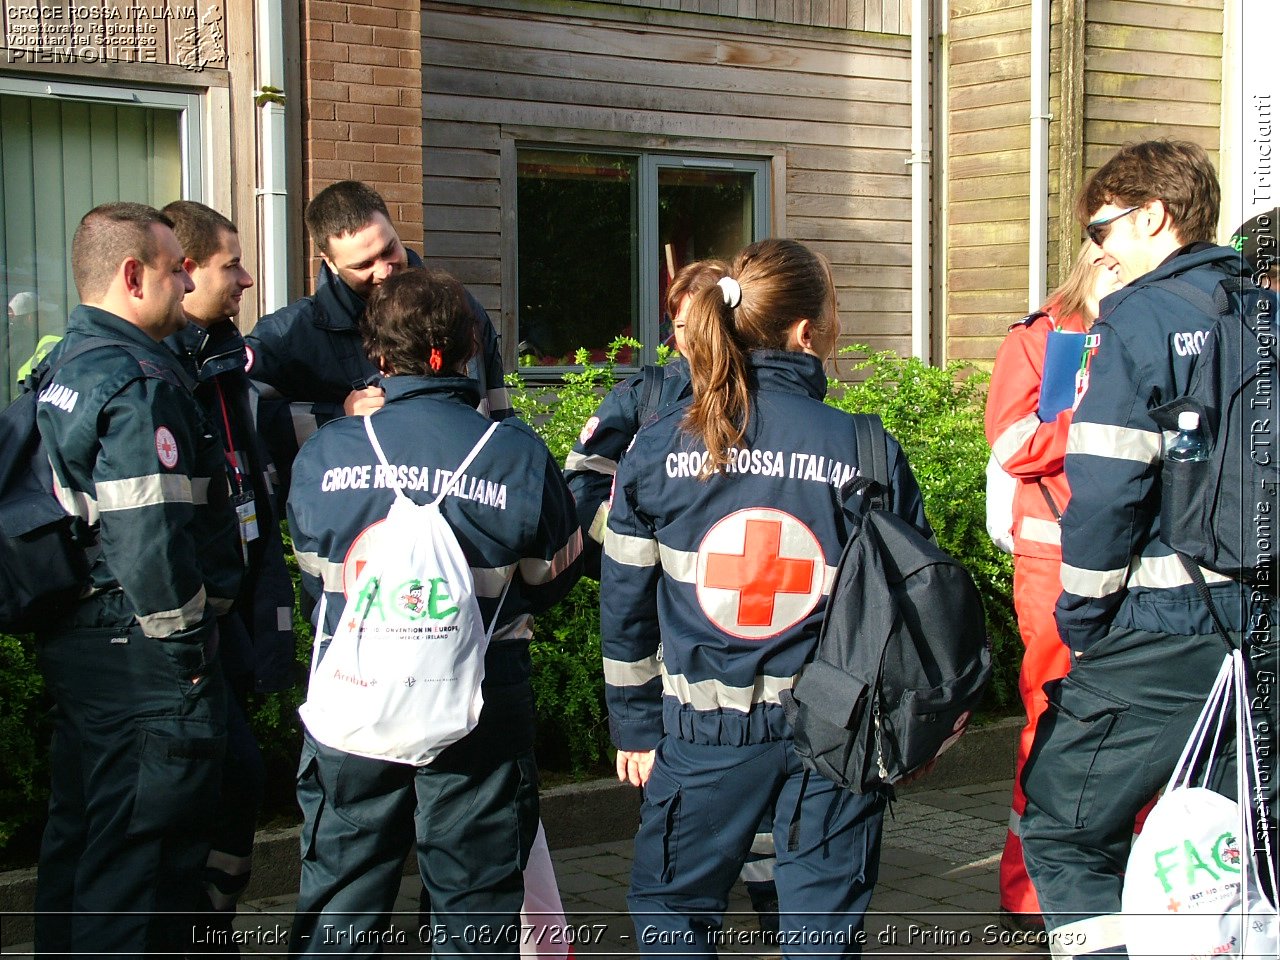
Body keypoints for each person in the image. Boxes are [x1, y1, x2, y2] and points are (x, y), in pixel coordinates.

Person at [601, 238, 930, 955]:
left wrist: (632, 725)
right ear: (809, 332)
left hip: (703, 733)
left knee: (672, 907)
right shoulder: (867, 450)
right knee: (821, 924)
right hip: (838, 731)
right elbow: (911, 609)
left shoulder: (658, 448)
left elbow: (624, 605)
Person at [1019, 140, 1274, 956]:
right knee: (1232, 840)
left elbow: (1109, 490)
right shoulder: (1263, 309)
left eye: (1105, 226)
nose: (1099, 247)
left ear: (1155, 216)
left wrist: (1086, 621)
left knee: (1062, 828)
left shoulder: (1140, 319)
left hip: (1165, 629)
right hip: (1264, 624)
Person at [286, 266, 583, 954]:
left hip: (351, 701)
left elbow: (312, 582)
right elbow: (551, 578)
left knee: (340, 899)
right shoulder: (515, 455)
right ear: (462, 351)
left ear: (379, 357)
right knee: (475, 907)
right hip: (478, 706)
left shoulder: (326, 451)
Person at [31, 202, 241, 955]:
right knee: (143, 873)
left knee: (81, 849)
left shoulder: (59, 364)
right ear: (131, 276)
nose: (188, 282)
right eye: (175, 269)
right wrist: (188, 649)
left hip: (84, 646)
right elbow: (149, 540)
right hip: (142, 662)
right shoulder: (139, 381)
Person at [161, 200, 297, 950]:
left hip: (235, 612)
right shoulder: (162, 376)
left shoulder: (229, 365)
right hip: (187, 628)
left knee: (237, 780)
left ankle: (212, 925)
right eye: (230, 266)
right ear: (182, 274)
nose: (246, 279)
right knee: (226, 777)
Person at [984, 243, 1123, 929]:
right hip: (1056, 563)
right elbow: (1013, 446)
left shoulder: (1143, 328)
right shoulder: (1041, 338)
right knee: (1053, 720)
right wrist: (1099, 418)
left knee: (1134, 725)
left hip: (1138, 562)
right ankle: (1030, 892)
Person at [246, 180, 511, 483]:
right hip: (358, 517)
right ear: (330, 263)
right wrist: (336, 417)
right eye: (364, 264)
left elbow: (497, 412)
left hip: (464, 503)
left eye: (389, 250)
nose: (384, 270)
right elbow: (244, 424)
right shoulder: (287, 336)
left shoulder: (462, 308)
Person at [565, 259, 726, 576]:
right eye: (680, 325)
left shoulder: (761, 398)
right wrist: (630, 545)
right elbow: (582, 480)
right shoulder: (642, 396)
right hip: (654, 592)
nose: (690, 337)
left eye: (700, 322)